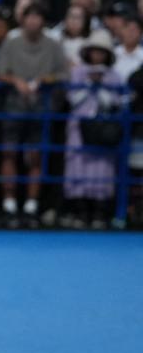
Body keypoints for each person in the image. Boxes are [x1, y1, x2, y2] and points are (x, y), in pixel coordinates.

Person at [0, 1, 68, 227]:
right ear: (23, 19)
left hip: (41, 109)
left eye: (38, 16)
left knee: (35, 157)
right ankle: (8, 207)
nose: (34, 21)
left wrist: (45, 80)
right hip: (14, 108)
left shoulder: (53, 45)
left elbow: (64, 73)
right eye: (30, 16)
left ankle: (31, 207)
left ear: (43, 21)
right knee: (9, 155)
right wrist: (16, 81)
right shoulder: (12, 42)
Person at [63, 31, 122, 229]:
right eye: (94, 51)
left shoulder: (113, 75)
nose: (97, 55)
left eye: (102, 52)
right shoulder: (78, 72)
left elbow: (113, 103)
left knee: (102, 169)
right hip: (79, 127)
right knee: (78, 165)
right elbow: (73, 100)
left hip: (102, 128)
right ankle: (80, 212)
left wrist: (101, 85)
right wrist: (89, 83)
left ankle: (99, 213)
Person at [113, 15, 143, 83]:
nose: (130, 33)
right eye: (127, 29)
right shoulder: (113, 53)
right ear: (121, 31)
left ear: (140, 33)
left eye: (134, 30)